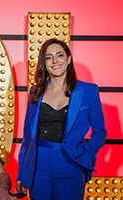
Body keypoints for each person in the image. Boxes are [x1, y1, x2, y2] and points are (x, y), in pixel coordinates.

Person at [16, 38, 107, 200]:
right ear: (44, 62)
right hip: (38, 164)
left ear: (69, 59)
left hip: (71, 163)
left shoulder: (88, 91)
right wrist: (21, 171)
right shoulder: (35, 91)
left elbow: (100, 132)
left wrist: (87, 153)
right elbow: (27, 137)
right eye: (48, 57)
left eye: (60, 55)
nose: (55, 61)